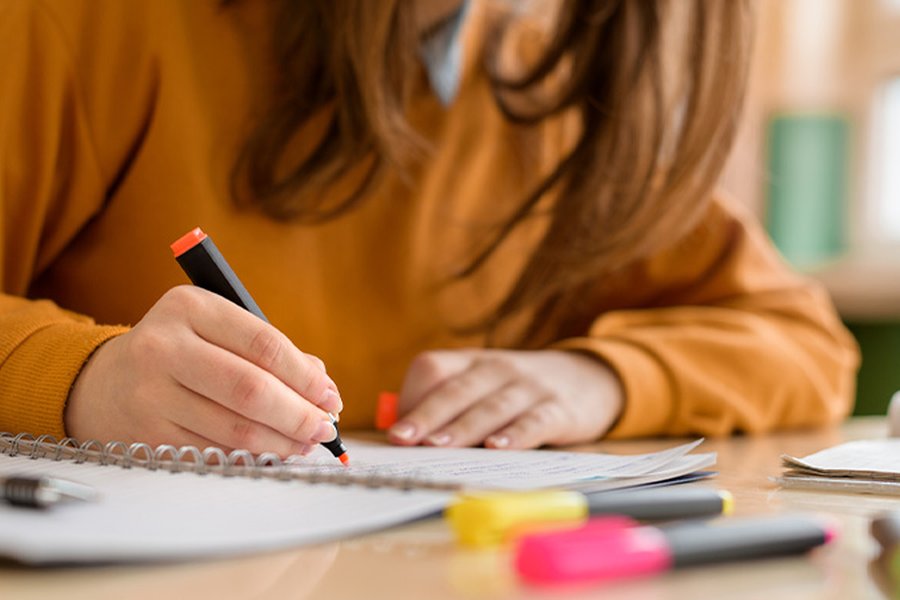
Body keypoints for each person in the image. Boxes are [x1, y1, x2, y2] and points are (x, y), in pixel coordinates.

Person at [0, 0, 858, 456]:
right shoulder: (84, 23)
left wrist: (602, 378)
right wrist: (80, 381)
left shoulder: (556, 96)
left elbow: (804, 344)